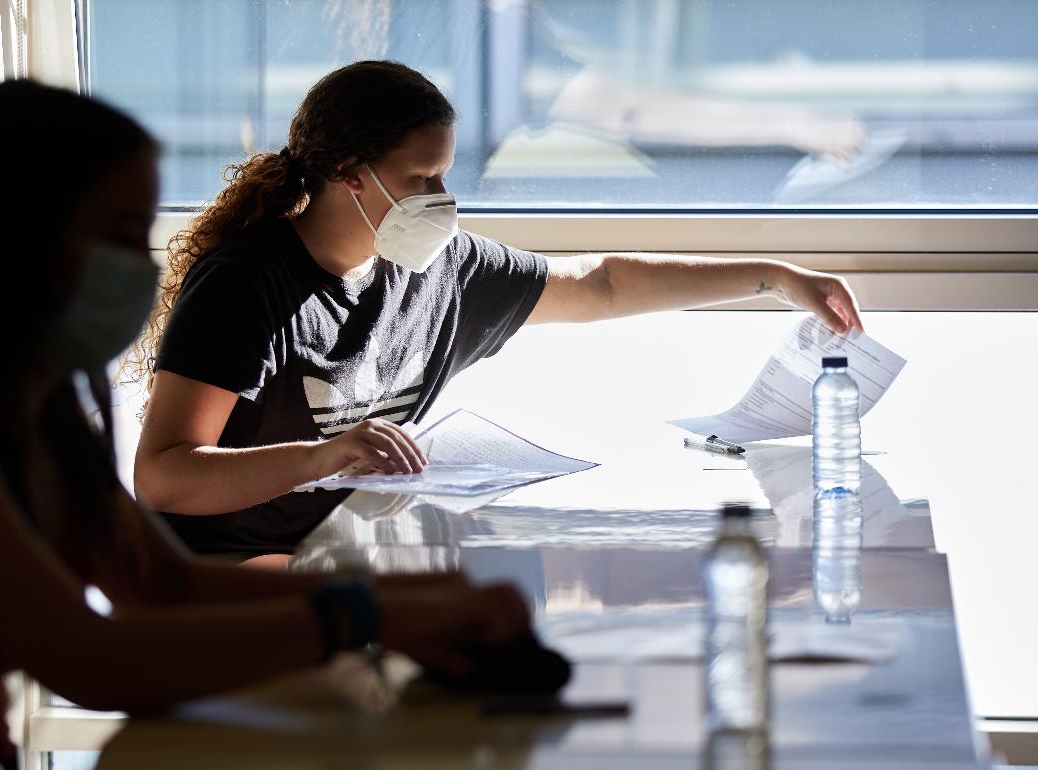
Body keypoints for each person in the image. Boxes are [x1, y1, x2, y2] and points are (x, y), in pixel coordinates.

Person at [0, 80, 531, 770]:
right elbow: (90, 658)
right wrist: (370, 622)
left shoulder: (39, 404)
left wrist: (419, 604)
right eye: (115, 234)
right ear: (10, 235)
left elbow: (162, 581)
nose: (136, 268)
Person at [129, 60, 865, 561]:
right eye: (420, 177)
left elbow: (600, 284)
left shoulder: (443, 267)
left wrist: (773, 277)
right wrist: (324, 456)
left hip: (346, 564)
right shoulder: (245, 284)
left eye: (446, 173)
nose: (441, 199)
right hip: (224, 581)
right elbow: (165, 477)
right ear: (348, 174)